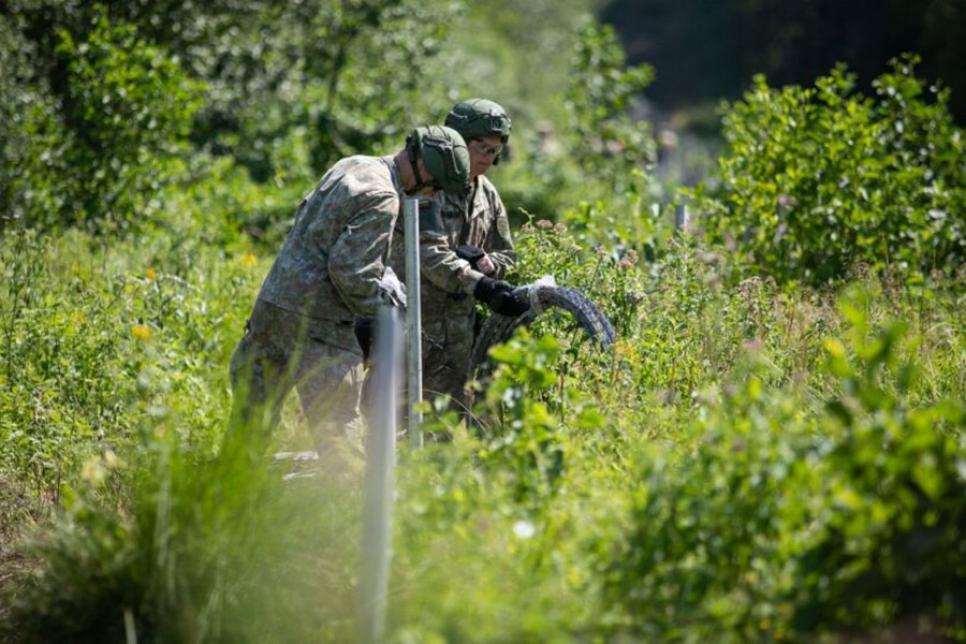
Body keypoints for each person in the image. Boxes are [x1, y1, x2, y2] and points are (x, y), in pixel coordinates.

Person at [226, 125, 471, 460]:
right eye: (437, 187)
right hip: (319, 325)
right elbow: (352, 273)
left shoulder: (352, 164)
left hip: (273, 307)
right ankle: (346, 496)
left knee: (248, 428)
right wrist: (386, 308)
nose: (432, 195)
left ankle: (228, 490)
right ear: (425, 170)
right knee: (340, 441)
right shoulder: (384, 198)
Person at [371, 98, 528, 414]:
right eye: (480, 147)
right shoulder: (428, 184)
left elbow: (508, 255)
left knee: (445, 421)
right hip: (411, 324)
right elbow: (428, 255)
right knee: (390, 418)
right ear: (458, 142)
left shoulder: (487, 195)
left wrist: (489, 264)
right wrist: (479, 283)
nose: (486, 158)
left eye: (494, 150)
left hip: (457, 337)